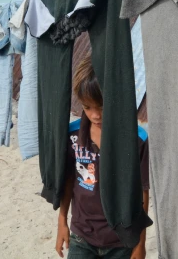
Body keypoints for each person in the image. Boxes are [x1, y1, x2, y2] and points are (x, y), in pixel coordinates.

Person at [55, 58, 150, 259]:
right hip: (82, 237)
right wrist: (62, 221)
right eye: (87, 107)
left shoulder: (136, 140)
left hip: (122, 240)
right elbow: (69, 181)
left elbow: (142, 192)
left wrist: (140, 243)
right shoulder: (73, 136)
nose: (95, 115)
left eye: (102, 106)